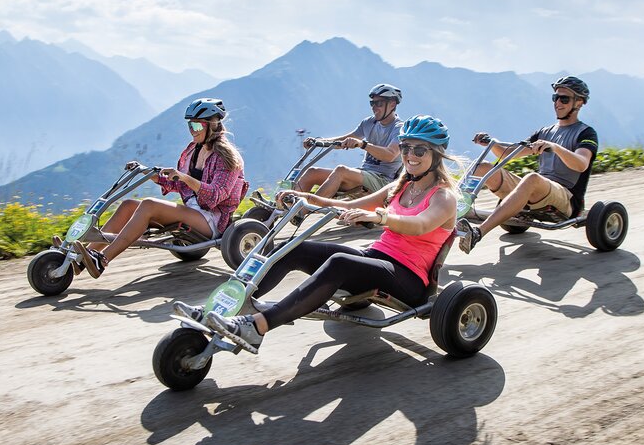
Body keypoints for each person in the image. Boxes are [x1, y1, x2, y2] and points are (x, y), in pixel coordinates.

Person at [174, 115, 458, 354]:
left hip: (409, 278)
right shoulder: (402, 184)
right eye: (406, 147)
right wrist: (307, 199)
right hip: (376, 259)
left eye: (419, 150)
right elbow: (348, 205)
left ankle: (257, 327)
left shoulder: (444, 197)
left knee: (339, 263)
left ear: (436, 154)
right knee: (294, 248)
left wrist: (379, 216)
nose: (409, 156)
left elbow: (421, 224)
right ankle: (227, 309)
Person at [72, 98, 249, 278]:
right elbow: (178, 184)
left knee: (149, 204)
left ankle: (102, 260)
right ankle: (83, 258)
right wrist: (148, 173)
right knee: (128, 205)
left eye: (196, 126)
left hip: (211, 219)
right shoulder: (193, 150)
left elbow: (216, 195)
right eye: (190, 126)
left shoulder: (227, 157)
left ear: (211, 125)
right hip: (193, 211)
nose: (192, 131)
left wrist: (185, 177)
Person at [456, 75, 599, 254]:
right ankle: (446, 212)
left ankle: (477, 233)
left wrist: (555, 148)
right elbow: (509, 153)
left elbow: (581, 164)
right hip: (537, 190)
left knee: (531, 178)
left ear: (579, 103)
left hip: (566, 197)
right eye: (555, 98)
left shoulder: (586, 133)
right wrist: (491, 143)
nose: (557, 103)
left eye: (564, 98)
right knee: (482, 167)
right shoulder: (545, 132)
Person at [294, 84, 405, 199]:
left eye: (379, 103)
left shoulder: (400, 128)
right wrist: (318, 142)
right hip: (362, 174)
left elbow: (390, 155)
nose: (374, 107)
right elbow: (344, 140)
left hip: (383, 181)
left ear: (392, 104)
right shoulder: (368, 123)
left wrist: (363, 144)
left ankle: (304, 210)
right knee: (312, 172)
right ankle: (285, 210)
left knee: (341, 171)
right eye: (372, 103)